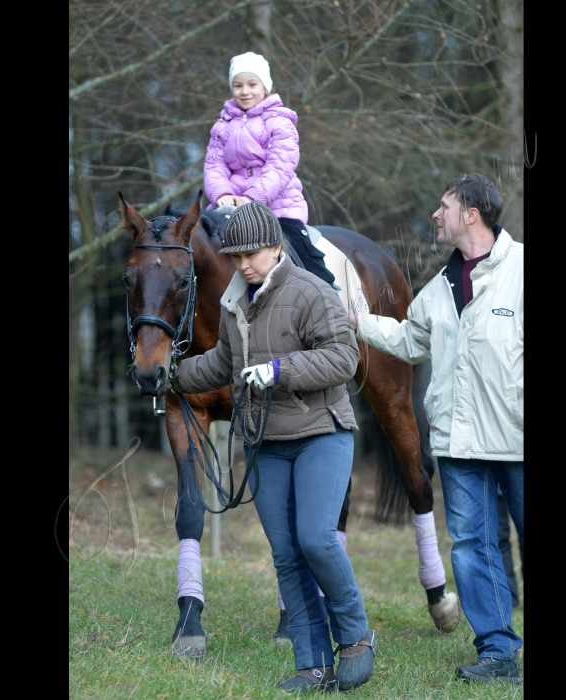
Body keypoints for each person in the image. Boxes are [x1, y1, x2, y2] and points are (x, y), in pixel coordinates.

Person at [171, 201, 377, 693]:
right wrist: (171, 377)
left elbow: (343, 357)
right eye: (236, 255)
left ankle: (355, 635)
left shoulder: (312, 291)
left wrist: (281, 370)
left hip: (319, 433)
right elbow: (222, 360)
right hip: (264, 442)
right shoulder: (233, 301)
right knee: (286, 554)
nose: (243, 264)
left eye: (253, 254)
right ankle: (313, 664)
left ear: (275, 246)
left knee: (316, 539)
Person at [349, 173, 523, 684]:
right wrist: (356, 318)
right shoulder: (440, 287)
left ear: (471, 214)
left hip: (517, 438)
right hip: (460, 443)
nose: (435, 215)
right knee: (472, 547)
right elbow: (408, 339)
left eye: (443, 206)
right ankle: (497, 651)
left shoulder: (521, 270)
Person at [203, 51, 337, 288]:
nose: (245, 91)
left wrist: (254, 198)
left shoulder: (279, 122)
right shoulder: (222, 126)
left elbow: (280, 166)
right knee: (199, 243)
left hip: (277, 208)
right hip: (230, 207)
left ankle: (326, 295)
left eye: (252, 84)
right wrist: (221, 193)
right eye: (238, 85)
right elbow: (214, 165)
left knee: (299, 250)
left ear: (265, 87)